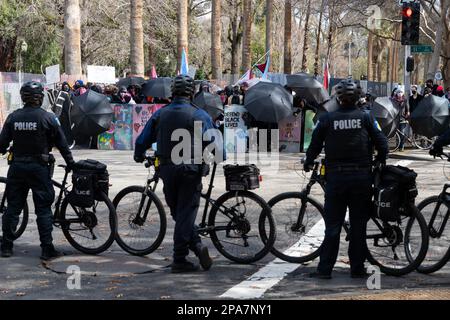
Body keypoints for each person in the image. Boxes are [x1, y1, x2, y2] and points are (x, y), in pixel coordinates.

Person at [134, 75, 223, 273]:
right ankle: (180, 258)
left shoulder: (161, 114)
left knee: (178, 213)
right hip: (190, 170)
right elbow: (216, 145)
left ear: (172, 92)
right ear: (191, 93)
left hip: (167, 170)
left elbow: (142, 140)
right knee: (185, 214)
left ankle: (197, 247)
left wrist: (139, 155)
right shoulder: (199, 114)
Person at [304, 79, 388, 279]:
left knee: (332, 226)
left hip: (336, 180)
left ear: (338, 98)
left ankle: (325, 270)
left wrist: (308, 162)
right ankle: (357, 269)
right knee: (359, 226)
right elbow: (383, 144)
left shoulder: (327, 119)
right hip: (361, 179)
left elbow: (314, 146)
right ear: (358, 97)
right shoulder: (366, 118)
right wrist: (379, 162)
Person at [0, 82, 75, 260]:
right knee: (43, 209)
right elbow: (62, 142)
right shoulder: (47, 117)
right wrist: (70, 162)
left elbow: (2, 144)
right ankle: (47, 249)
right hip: (39, 169)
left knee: (13, 208)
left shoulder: (13, 117)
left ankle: (6, 247)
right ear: (40, 97)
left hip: (17, 168)